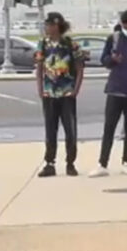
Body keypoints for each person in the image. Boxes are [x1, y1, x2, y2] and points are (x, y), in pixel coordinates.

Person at [90, 8, 127, 177]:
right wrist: (112, 60)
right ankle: (102, 163)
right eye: (124, 26)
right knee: (109, 128)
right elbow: (104, 60)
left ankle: (126, 161)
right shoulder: (113, 39)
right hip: (115, 90)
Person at [34, 12, 85, 178]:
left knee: (70, 129)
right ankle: (50, 163)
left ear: (57, 26)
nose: (47, 28)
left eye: (49, 25)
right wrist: (40, 89)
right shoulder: (42, 44)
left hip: (66, 92)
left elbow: (79, 68)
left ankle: (70, 163)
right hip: (50, 93)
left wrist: (75, 90)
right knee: (50, 130)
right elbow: (39, 67)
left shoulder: (71, 45)